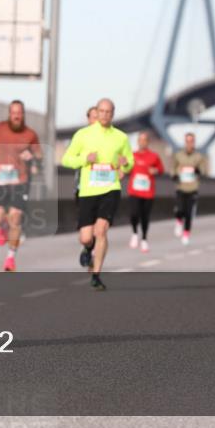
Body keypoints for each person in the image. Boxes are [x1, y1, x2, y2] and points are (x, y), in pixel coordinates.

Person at [62, 98, 133, 291]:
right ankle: (87, 248)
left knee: (101, 231)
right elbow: (67, 159)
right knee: (86, 237)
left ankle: (96, 275)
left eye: (108, 112)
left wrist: (125, 164)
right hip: (88, 190)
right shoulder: (83, 135)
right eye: (101, 111)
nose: (104, 115)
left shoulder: (121, 138)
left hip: (111, 189)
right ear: (97, 112)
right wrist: (85, 158)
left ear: (113, 114)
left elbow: (129, 161)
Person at [0, 100, 42, 272]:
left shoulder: (30, 134)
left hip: (20, 180)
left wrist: (31, 156)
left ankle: (10, 258)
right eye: (14, 112)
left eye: (20, 113)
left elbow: (39, 154)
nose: (17, 116)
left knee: (15, 219)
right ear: (9, 114)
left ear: (23, 115)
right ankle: (1, 227)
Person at [126, 130, 165, 253]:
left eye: (145, 140)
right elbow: (126, 169)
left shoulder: (154, 156)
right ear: (137, 142)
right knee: (133, 214)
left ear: (148, 142)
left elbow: (161, 169)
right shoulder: (132, 155)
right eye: (140, 140)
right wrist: (123, 166)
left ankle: (144, 239)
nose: (142, 142)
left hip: (148, 192)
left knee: (145, 217)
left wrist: (156, 171)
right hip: (134, 190)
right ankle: (134, 233)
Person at [171, 132, 209, 245]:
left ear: (194, 142)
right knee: (180, 209)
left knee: (188, 213)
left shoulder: (199, 156)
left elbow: (204, 170)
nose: (189, 143)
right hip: (181, 187)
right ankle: (178, 221)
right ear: (185, 142)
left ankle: (186, 233)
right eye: (187, 141)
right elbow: (173, 168)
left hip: (192, 188)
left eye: (191, 141)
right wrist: (175, 175)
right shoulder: (178, 155)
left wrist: (197, 170)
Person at [74, 106, 99, 203]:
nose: (97, 121)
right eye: (94, 118)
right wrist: (85, 159)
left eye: (98, 118)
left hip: (103, 188)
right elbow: (71, 160)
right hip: (83, 188)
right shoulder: (80, 137)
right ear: (88, 119)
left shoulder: (110, 138)